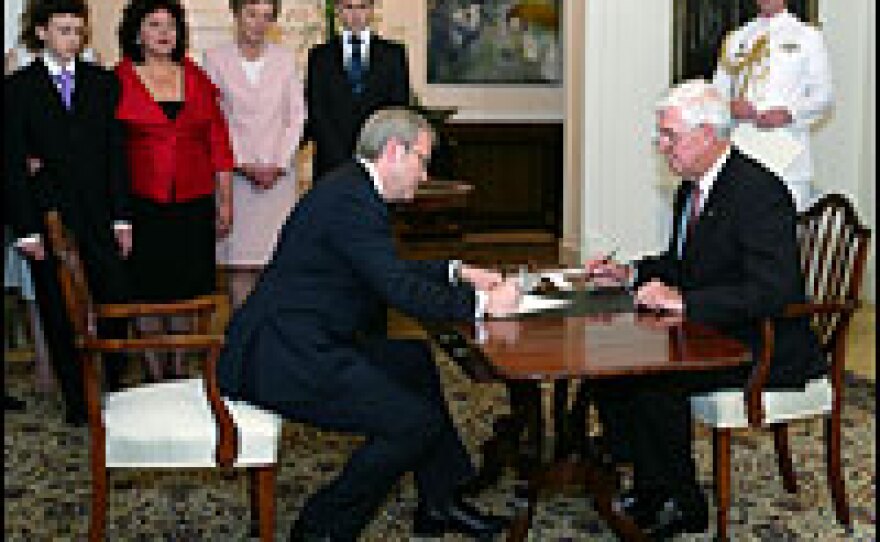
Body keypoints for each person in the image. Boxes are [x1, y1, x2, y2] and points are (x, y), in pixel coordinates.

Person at [218, 107, 521, 541]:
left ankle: (440, 501)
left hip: (304, 339)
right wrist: (483, 304)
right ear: (395, 151)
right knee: (412, 424)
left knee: (412, 359)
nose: (424, 174)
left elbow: (381, 269)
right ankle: (320, 528)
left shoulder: (353, 189)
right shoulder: (352, 202)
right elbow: (396, 289)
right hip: (284, 357)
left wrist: (457, 272)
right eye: (422, 160)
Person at [584, 80, 825, 538]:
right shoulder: (692, 186)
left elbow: (774, 291)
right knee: (613, 366)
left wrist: (687, 301)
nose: (661, 145)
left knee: (654, 378)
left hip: (764, 342)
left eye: (670, 135)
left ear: (709, 135)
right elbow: (683, 263)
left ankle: (684, 503)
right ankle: (652, 484)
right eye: (661, 134)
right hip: (715, 328)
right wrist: (629, 274)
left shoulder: (758, 191)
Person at [4, 0, 133, 425]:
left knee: (114, 298)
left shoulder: (102, 82)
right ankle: (78, 403)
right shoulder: (18, 88)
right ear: (41, 32)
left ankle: (115, 389)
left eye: (78, 31)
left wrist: (122, 217)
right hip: (49, 217)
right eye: (63, 30)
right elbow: (13, 163)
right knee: (58, 311)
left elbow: (117, 153)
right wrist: (25, 228)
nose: (72, 39)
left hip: (99, 213)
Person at [115, 0, 235, 380]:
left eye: (171, 26)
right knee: (147, 293)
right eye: (154, 25)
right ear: (138, 32)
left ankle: (180, 371)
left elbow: (219, 144)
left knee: (187, 294)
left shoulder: (196, 76)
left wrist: (225, 201)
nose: (165, 33)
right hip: (142, 206)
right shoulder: (117, 79)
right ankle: (153, 373)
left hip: (193, 204)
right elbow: (106, 151)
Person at [204, 0, 306, 309]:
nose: (258, 23)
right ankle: (241, 344)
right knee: (240, 267)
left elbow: (296, 117)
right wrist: (242, 163)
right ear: (235, 14)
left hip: (278, 180)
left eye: (267, 17)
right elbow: (214, 118)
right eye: (251, 15)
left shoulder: (286, 59)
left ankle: (271, 348)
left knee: (276, 265)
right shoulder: (214, 59)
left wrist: (276, 164)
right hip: (235, 180)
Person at [713, 0, 833, 211]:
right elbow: (715, 95)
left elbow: (823, 96)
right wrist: (730, 106)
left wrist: (790, 113)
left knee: (784, 228)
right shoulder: (737, 38)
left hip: (787, 153)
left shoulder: (807, 36)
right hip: (744, 149)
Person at [305, 0, 411, 180]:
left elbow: (397, 110)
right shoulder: (319, 56)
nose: (355, 14)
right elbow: (317, 112)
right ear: (338, 10)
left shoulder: (393, 55)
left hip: (379, 162)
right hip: (331, 164)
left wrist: (373, 155)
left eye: (362, 7)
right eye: (349, 7)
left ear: (372, 10)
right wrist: (341, 158)